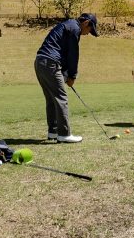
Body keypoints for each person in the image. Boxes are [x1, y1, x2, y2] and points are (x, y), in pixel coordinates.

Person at [34, 13, 99, 143]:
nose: (87, 33)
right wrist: (72, 76)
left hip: (40, 62)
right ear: (86, 23)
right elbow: (73, 54)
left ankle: (53, 132)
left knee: (52, 99)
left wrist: (64, 73)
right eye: (89, 30)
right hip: (50, 63)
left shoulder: (68, 25)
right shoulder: (75, 28)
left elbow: (62, 52)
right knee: (61, 98)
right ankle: (64, 134)